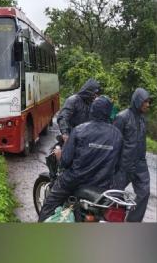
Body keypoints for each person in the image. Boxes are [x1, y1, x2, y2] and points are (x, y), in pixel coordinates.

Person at [38, 96, 123, 222]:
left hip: (74, 181)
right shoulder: (117, 134)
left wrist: (59, 155)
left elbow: (65, 162)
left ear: (92, 110)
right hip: (102, 185)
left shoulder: (80, 130)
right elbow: (118, 165)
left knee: (50, 204)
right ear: (109, 112)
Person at [113, 88, 151, 222]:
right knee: (114, 195)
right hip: (124, 165)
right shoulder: (122, 117)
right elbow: (114, 143)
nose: (148, 104)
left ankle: (132, 223)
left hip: (140, 165)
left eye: (148, 101)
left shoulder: (142, 119)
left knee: (144, 193)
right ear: (137, 101)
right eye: (145, 101)